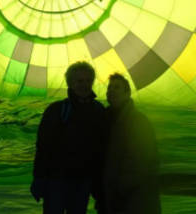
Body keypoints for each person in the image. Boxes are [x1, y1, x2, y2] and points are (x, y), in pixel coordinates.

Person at [31, 61, 106, 213]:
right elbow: (43, 147)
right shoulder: (56, 110)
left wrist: (99, 183)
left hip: (83, 181)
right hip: (57, 180)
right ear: (70, 83)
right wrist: (39, 177)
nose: (84, 85)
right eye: (79, 81)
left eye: (88, 81)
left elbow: (101, 149)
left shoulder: (98, 110)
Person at [101, 73, 160, 213]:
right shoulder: (105, 120)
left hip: (135, 199)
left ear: (127, 93)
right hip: (113, 196)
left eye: (117, 87)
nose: (111, 91)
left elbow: (146, 161)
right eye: (109, 88)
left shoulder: (138, 121)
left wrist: (122, 186)